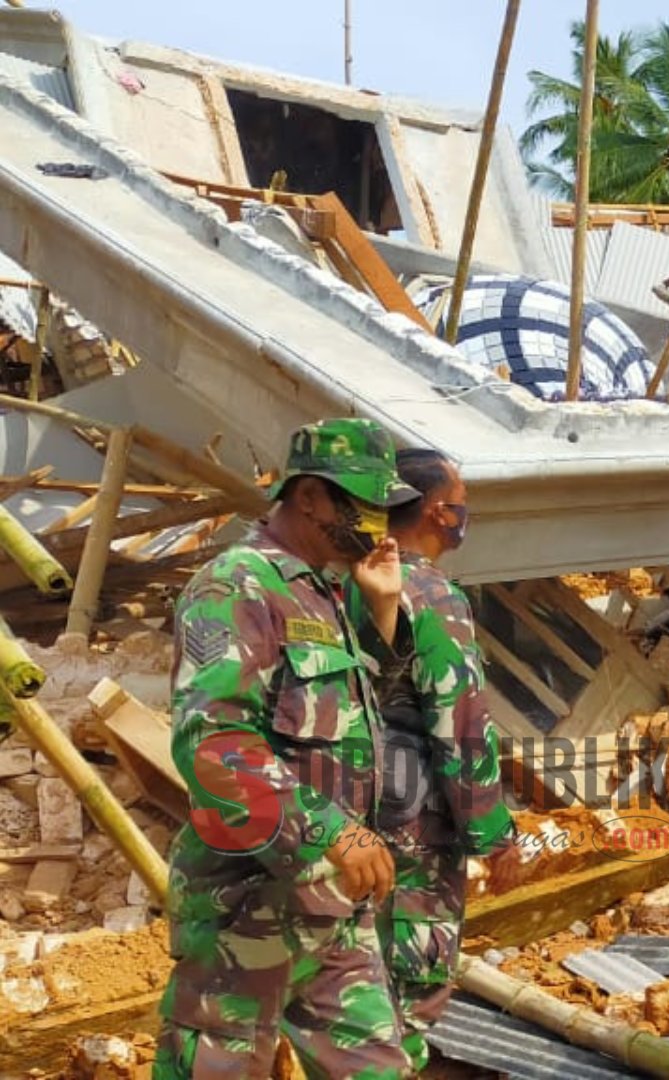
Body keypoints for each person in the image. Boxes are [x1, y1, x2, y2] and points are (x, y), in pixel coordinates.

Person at [156, 418, 421, 1079]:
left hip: (330, 910)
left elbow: (348, 719)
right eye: (362, 505)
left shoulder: (325, 589)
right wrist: (332, 830)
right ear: (308, 497)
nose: (380, 524)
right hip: (245, 913)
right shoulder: (237, 585)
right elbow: (213, 743)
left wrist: (382, 613)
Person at [350, 449, 515, 1071]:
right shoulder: (430, 594)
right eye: (460, 501)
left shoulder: (339, 581)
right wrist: (492, 835)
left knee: (345, 985)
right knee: (408, 991)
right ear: (439, 512)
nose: (463, 514)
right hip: (410, 827)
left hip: (336, 815)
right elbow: (459, 725)